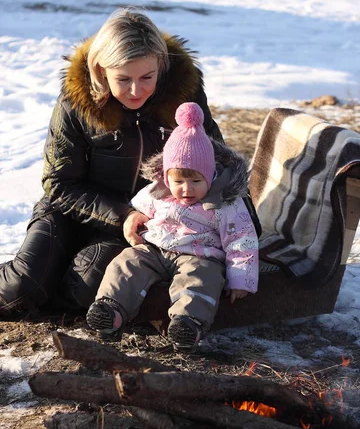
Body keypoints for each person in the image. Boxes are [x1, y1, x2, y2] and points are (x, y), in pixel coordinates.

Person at [0, 8, 224, 315]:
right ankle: (38, 279)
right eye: (123, 79)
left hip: (146, 220)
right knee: (20, 288)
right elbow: (59, 183)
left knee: (86, 287)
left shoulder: (184, 98)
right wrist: (122, 214)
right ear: (100, 70)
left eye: (147, 77)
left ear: (161, 64)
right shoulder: (75, 101)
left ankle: (53, 281)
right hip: (72, 210)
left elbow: (216, 160)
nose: (135, 90)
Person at [86, 102, 259, 352]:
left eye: (196, 181)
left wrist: (241, 278)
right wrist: (132, 216)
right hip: (155, 250)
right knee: (127, 263)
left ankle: (187, 325)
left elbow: (242, 240)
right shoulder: (157, 192)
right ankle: (110, 311)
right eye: (178, 181)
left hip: (200, 255)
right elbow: (137, 209)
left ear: (210, 176)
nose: (186, 189)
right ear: (167, 177)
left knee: (201, 280)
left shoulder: (224, 203)